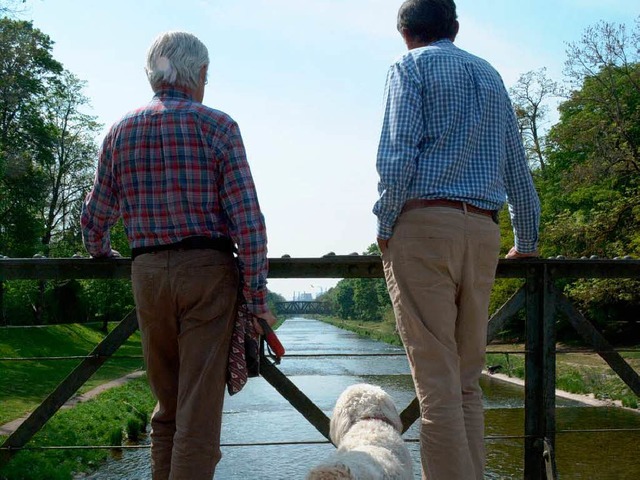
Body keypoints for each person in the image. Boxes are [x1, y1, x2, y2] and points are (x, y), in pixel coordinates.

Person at [81, 31, 276, 480]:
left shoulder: (119, 130)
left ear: (152, 74)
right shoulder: (218, 126)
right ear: (200, 74)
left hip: (147, 272)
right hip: (207, 273)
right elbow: (248, 223)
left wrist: (102, 252)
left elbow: (95, 220)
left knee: (167, 405)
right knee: (198, 414)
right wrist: (257, 296)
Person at [373, 1, 540, 479]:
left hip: (425, 229)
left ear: (404, 31)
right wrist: (526, 237)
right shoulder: (489, 74)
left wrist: (385, 224)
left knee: (438, 389)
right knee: (467, 383)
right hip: (484, 232)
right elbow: (516, 166)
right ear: (456, 28)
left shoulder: (409, 67)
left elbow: (398, 155)